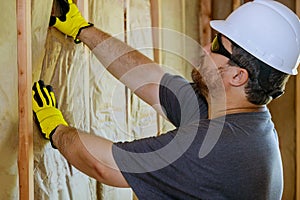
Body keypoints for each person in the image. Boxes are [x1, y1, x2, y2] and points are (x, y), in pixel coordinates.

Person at [32, 0, 300, 199]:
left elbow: (104, 164)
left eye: (218, 46)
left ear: (238, 76)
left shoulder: (218, 148)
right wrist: (83, 29)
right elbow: (149, 79)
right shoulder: (241, 120)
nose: (205, 48)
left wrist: (56, 129)